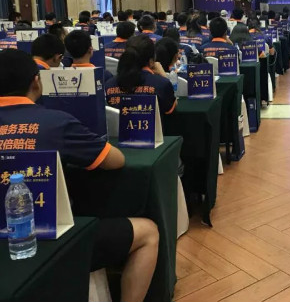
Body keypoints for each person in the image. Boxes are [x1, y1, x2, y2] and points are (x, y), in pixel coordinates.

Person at [0, 49, 158, 302]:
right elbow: (116, 161)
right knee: (149, 232)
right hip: (46, 242)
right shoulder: (56, 122)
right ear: (36, 82)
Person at [105, 35, 177, 116]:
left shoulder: (109, 84)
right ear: (151, 61)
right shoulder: (161, 84)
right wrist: (163, 75)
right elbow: (170, 109)